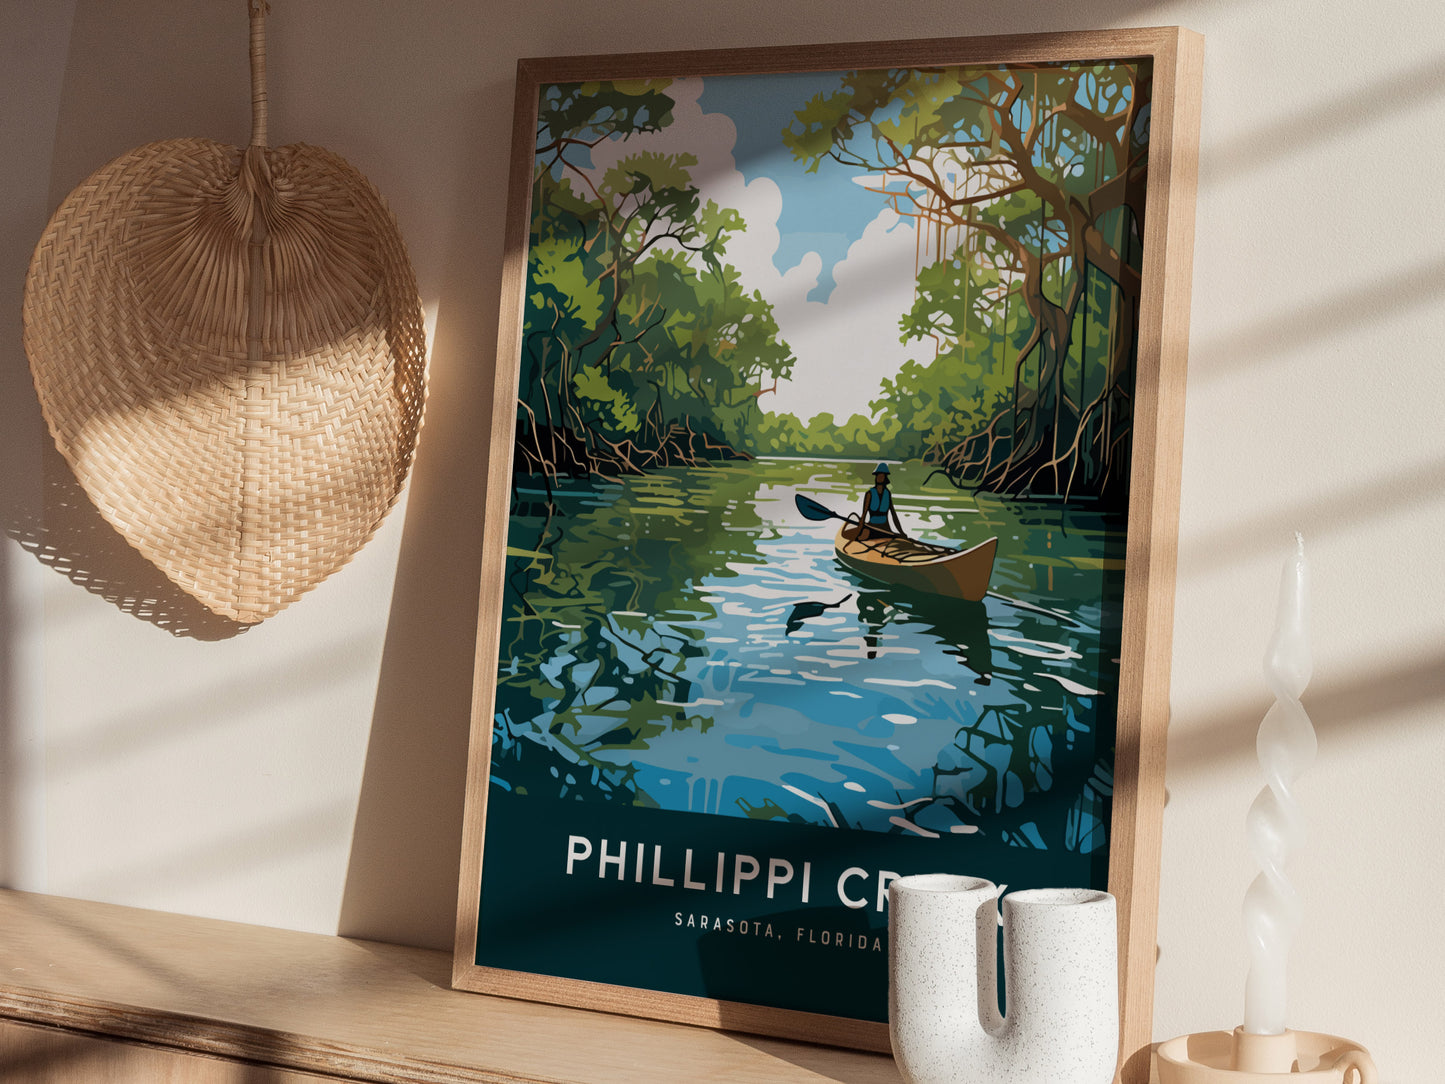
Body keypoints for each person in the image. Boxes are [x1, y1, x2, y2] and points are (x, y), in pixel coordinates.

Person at [859, 462, 906, 539]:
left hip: (885, 529)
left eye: (882, 475)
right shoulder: (869, 494)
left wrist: (902, 532)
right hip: (871, 527)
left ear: (885, 478)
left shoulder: (887, 493)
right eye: (878, 475)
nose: (879, 477)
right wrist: (859, 530)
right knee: (864, 535)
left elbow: (894, 515)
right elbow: (864, 514)